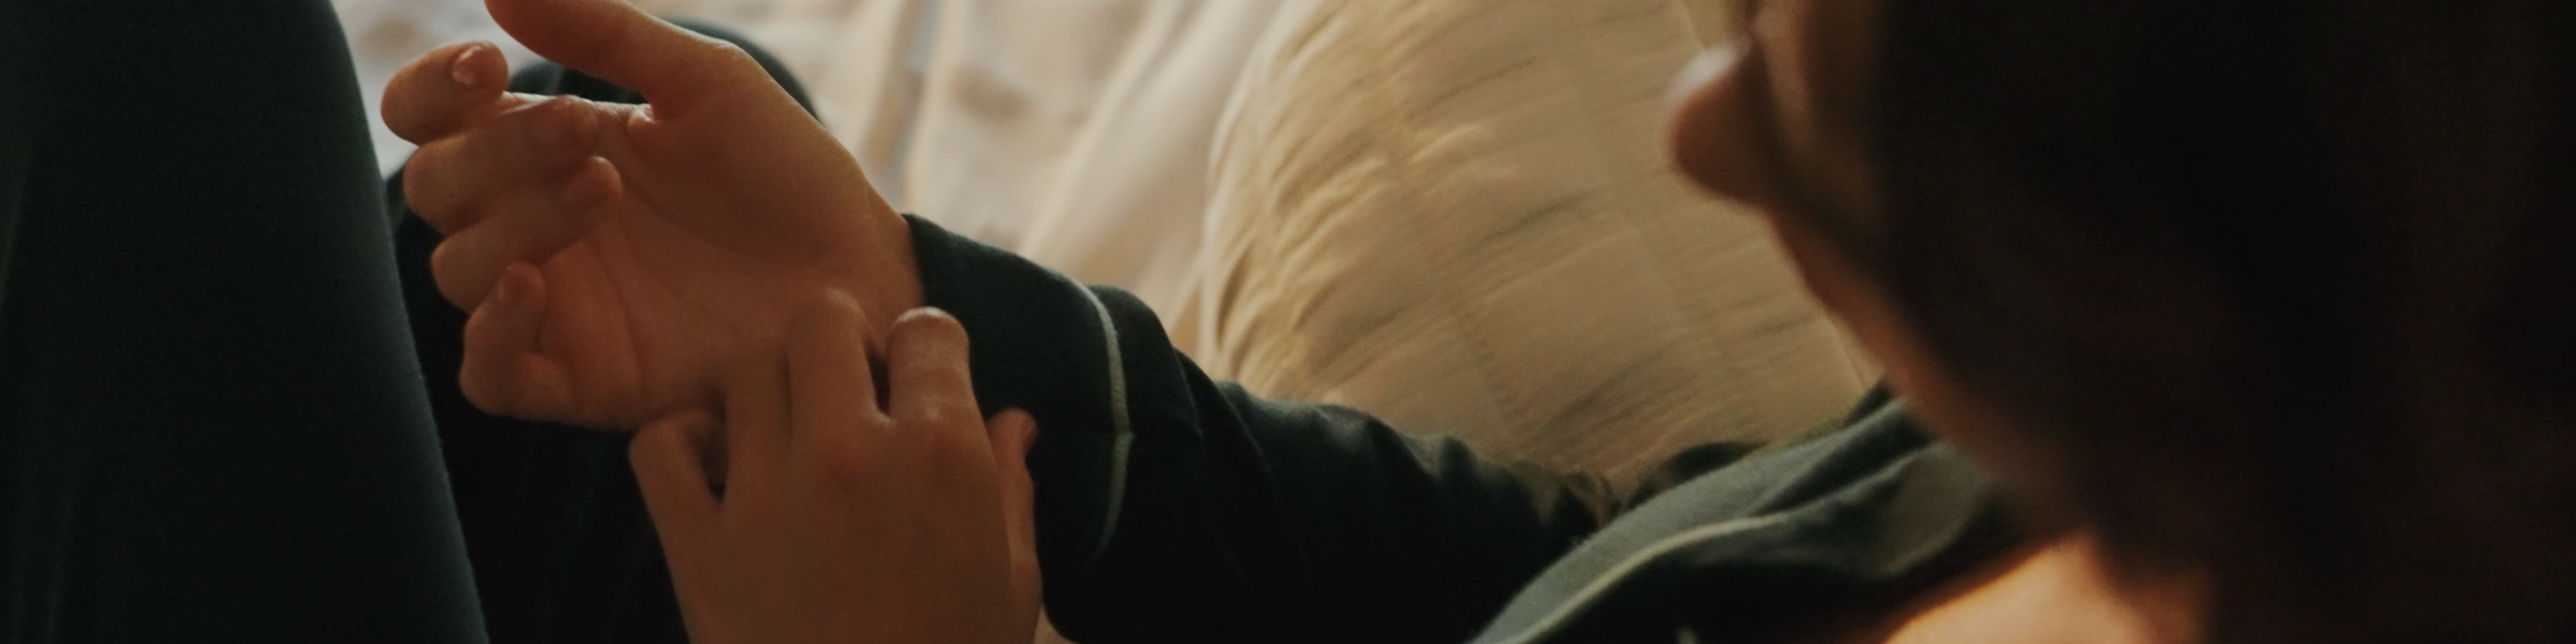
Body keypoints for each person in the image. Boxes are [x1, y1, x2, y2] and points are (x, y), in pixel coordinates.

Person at [394, 0, 2574, 643]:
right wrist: (906, 307)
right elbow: (1586, 575)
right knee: (507, 274)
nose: (1697, 136)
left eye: (1849, 161)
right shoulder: (2123, 480)